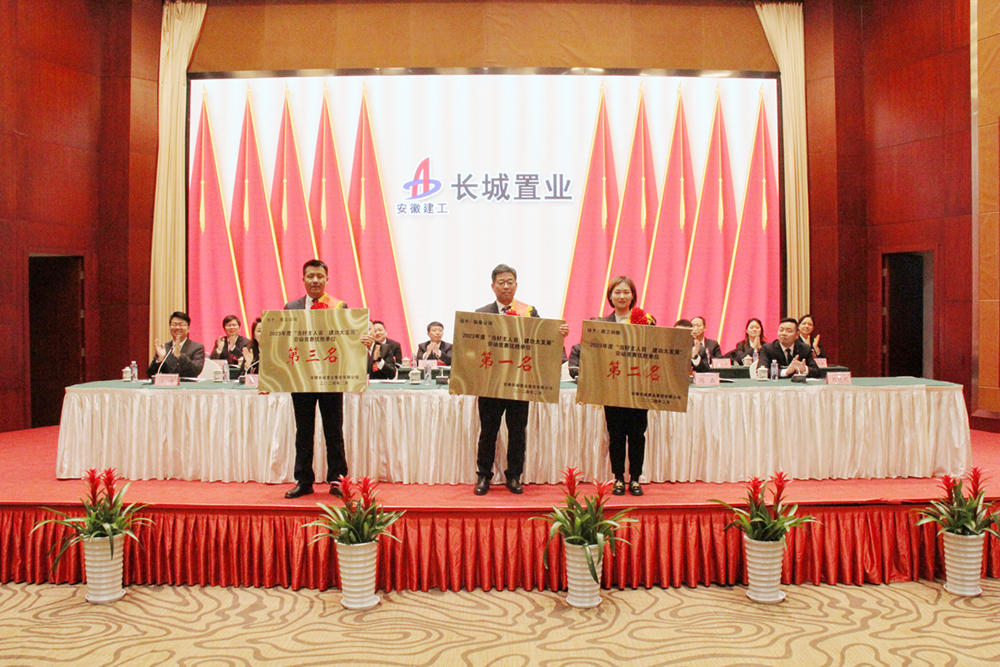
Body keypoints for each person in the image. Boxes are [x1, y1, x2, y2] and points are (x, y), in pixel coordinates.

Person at [473, 263, 568, 495]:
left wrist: (559, 335)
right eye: (501, 282)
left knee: (517, 433)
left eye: (510, 282)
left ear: (516, 285)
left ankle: (514, 476)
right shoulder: (481, 314)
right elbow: (473, 349)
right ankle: (483, 476)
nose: (506, 286)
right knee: (488, 432)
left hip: (520, 383)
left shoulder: (529, 312)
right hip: (490, 384)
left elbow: (543, 340)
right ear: (493, 286)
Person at [283, 259, 350, 500]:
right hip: (301, 378)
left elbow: (346, 340)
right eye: (310, 276)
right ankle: (304, 481)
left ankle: (337, 480)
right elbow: (283, 342)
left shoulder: (339, 306)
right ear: (303, 279)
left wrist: (361, 340)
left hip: (331, 377)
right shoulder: (291, 307)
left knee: (334, 431)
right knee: (303, 432)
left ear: (327, 279)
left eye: (319, 276)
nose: (315, 280)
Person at [600, 276, 656, 496]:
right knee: (615, 435)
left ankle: (635, 478)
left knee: (637, 435)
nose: (622, 296)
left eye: (626, 292)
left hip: (638, 388)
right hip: (612, 389)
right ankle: (618, 478)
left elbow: (655, 351)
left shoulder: (646, 321)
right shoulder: (602, 324)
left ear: (633, 296)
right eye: (617, 292)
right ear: (610, 296)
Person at [147, 311, 206, 378]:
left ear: (188, 328)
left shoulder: (197, 347)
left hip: (187, 384)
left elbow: (196, 371)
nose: (177, 327)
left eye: (181, 325)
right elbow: (150, 374)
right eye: (174, 324)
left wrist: (180, 357)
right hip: (167, 384)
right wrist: (159, 360)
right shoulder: (164, 348)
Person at [210, 314, 250, 379]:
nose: (231, 327)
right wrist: (219, 350)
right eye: (228, 325)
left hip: (239, 374)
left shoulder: (246, 342)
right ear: (224, 328)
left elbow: (245, 359)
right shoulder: (220, 341)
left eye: (234, 325)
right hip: (222, 375)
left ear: (239, 327)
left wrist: (233, 348)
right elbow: (212, 361)